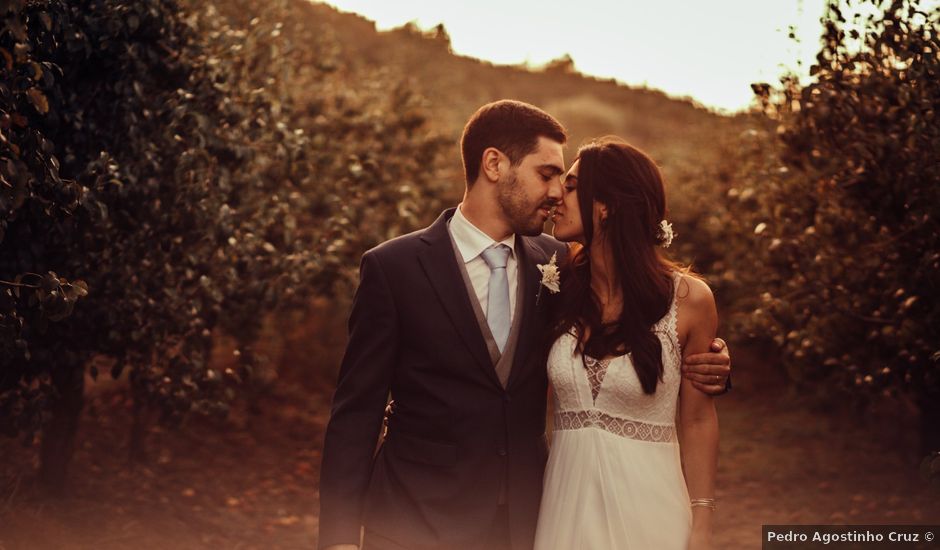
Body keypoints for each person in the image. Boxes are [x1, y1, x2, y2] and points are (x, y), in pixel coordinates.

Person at [318, 101, 731, 550]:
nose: (556, 192)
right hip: (411, 522)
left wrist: (711, 363)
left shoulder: (557, 265)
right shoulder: (393, 267)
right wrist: (339, 538)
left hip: (526, 523)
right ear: (494, 164)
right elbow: (356, 412)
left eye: (564, 180)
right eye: (547, 174)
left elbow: (636, 319)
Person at [534, 136, 719, 549]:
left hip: (651, 515)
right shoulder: (554, 287)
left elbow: (697, 419)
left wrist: (702, 521)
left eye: (570, 186)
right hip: (565, 512)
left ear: (607, 205)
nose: (555, 198)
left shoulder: (690, 301)